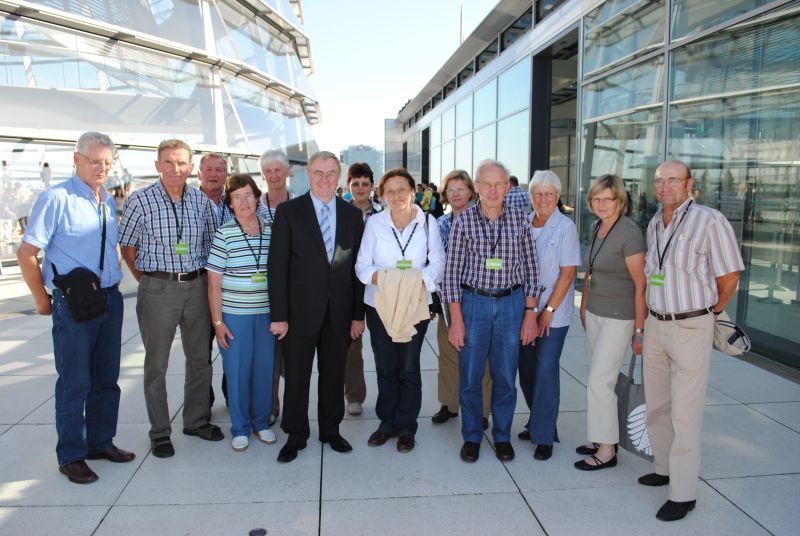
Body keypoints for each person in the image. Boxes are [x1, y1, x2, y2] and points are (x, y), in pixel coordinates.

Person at [17, 131, 134, 484]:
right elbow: (26, 254)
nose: (101, 167)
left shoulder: (105, 200)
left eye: (107, 162)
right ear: (76, 159)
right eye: (95, 160)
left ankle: (101, 442)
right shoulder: (57, 198)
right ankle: (71, 455)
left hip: (109, 298)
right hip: (75, 304)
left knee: (106, 377)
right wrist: (42, 300)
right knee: (75, 381)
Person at [640, 160, 743, 521]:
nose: (665, 186)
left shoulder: (709, 220)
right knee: (657, 403)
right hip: (655, 324)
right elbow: (656, 273)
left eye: (673, 180)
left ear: (689, 183)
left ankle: (683, 493)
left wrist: (710, 312)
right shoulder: (655, 222)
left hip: (690, 325)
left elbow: (729, 276)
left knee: (685, 412)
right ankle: (665, 467)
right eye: (659, 180)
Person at [119, 139, 222, 459]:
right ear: (157, 166)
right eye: (168, 162)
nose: (174, 169)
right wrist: (149, 283)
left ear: (191, 167)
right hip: (158, 289)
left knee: (199, 359)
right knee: (157, 365)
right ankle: (160, 432)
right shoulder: (140, 200)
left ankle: (195, 420)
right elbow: (128, 248)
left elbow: (210, 245)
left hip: (196, 287)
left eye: (181, 163)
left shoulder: (202, 202)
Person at [268, 151, 365, 463]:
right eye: (318, 173)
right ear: (307, 176)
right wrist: (279, 316)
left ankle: (330, 429)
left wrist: (356, 315)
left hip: (338, 314)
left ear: (339, 177)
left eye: (330, 173)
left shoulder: (352, 215)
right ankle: (295, 435)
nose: (324, 179)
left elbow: (357, 270)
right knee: (296, 376)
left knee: (334, 375)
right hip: (298, 315)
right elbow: (277, 267)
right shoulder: (288, 212)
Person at [442, 159, 540, 463]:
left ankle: (501, 436)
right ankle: (471, 436)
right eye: (487, 184)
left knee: (505, 376)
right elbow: (451, 274)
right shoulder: (464, 221)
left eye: (499, 184)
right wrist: (455, 320)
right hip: (474, 304)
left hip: (511, 304)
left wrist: (530, 314)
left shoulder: (521, 220)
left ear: (508, 187)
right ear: (478, 188)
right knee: (470, 376)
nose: (493, 189)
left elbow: (533, 270)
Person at [355, 168, 444, 453]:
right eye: (389, 191)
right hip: (379, 305)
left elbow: (438, 264)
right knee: (385, 367)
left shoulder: (429, 222)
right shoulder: (375, 224)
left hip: (415, 305)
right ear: (381, 194)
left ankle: (407, 427)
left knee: (409, 367)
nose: (396, 196)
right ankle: (387, 423)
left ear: (412, 191)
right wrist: (391, 281)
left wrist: (411, 284)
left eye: (402, 189)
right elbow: (362, 267)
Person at [575, 174, 646, 471]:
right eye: (596, 199)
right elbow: (591, 272)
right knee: (603, 378)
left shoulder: (629, 233)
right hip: (595, 313)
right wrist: (584, 307)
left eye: (608, 199)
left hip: (620, 317)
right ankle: (601, 436)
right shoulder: (597, 227)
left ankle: (607, 451)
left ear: (620, 201)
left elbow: (641, 285)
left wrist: (640, 330)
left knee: (599, 382)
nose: (602, 204)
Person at [207, 174, 276, 452]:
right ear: (230, 203)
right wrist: (217, 322)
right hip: (235, 316)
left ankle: (261, 422)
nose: (244, 201)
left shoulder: (271, 229)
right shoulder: (225, 233)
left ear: (257, 198)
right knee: (237, 372)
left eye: (248, 195)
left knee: (263, 370)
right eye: (237, 197)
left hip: (267, 315)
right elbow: (214, 284)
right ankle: (239, 426)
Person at [518, 170, 580, 460]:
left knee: (545, 370)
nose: (542, 199)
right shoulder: (523, 223)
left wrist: (548, 310)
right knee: (527, 371)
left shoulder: (565, 227)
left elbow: (568, 273)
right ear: (531, 196)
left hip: (553, 314)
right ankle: (537, 420)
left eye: (549, 194)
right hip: (524, 310)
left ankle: (544, 436)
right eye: (537, 194)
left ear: (557, 196)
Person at [432, 170, 492, 429]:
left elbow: (494, 260)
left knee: (482, 357)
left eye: (460, 188)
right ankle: (449, 403)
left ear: (471, 191)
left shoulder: (485, 221)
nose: (455, 194)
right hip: (447, 299)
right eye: (450, 189)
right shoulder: (438, 224)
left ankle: (483, 409)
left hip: (478, 298)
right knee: (448, 353)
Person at [256, 149, 294, 425]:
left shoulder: (301, 205)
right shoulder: (251, 204)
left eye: (278, 170)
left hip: (293, 290)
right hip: (259, 290)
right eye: (268, 171)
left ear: (287, 172)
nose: (273, 175)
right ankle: (271, 405)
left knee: (293, 355)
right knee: (267, 356)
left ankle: (293, 408)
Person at [344, 162, 382, 416]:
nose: (360, 188)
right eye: (355, 183)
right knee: (352, 344)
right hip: (348, 286)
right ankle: (355, 395)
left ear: (372, 186)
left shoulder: (383, 214)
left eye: (364, 183)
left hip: (378, 285)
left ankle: (388, 396)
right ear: (348, 185)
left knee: (382, 345)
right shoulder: (340, 213)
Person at [198, 152, 234, 408]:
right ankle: (203, 402)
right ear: (199, 173)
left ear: (225, 175)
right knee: (200, 349)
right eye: (208, 169)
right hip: (198, 285)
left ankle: (233, 396)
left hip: (229, 287)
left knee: (230, 343)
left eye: (219, 170)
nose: (213, 174)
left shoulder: (232, 203)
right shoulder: (187, 202)